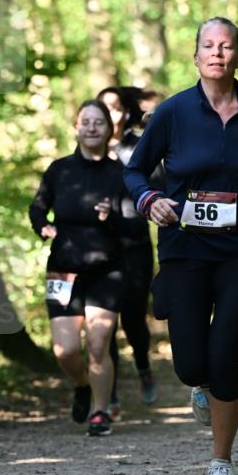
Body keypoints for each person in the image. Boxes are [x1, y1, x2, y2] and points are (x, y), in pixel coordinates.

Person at [124, 17, 238, 475]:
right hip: (186, 248)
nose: (217, 53)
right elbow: (136, 171)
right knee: (190, 365)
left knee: (225, 356)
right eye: (208, 45)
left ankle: (220, 461)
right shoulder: (173, 112)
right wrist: (149, 200)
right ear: (196, 56)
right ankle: (198, 385)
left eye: (226, 46)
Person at [29, 99, 143, 437]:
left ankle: (100, 411)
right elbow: (37, 209)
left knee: (98, 343)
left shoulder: (120, 175)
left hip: (107, 270)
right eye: (86, 122)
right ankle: (82, 385)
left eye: (99, 122)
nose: (92, 127)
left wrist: (114, 217)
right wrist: (43, 227)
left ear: (109, 130)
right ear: (76, 127)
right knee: (65, 351)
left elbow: (137, 229)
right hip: (63, 269)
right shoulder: (59, 170)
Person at [97, 86, 158, 415]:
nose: (111, 114)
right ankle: (112, 390)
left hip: (135, 243)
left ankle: (144, 366)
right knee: (103, 319)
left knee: (133, 318)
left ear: (126, 112)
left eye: (117, 108)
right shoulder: (91, 147)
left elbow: (158, 179)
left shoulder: (139, 144)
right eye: (104, 108)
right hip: (101, 246)